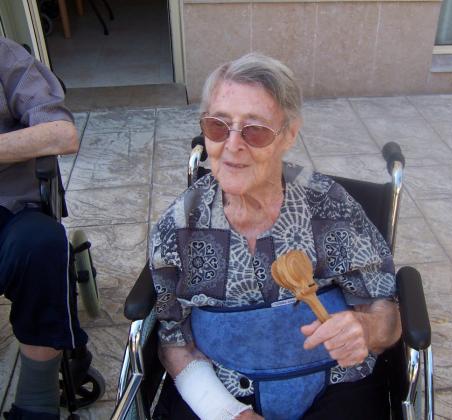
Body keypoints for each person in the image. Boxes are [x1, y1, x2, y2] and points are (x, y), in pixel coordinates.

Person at [150, 53, 402, 420]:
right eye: (218, 126)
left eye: (255, 130)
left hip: (336, 383)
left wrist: (368, 327)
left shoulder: (329, 207)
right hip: (223, 388)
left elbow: (388, 311)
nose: (232, 145)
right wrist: (225, 412)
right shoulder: (179, 227)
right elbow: (174, 342)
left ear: (289, 134)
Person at [0, 36, 88, 419]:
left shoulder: (4, 56)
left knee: (42, 245)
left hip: (8, 209)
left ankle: (36, 401)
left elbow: (61, 133)